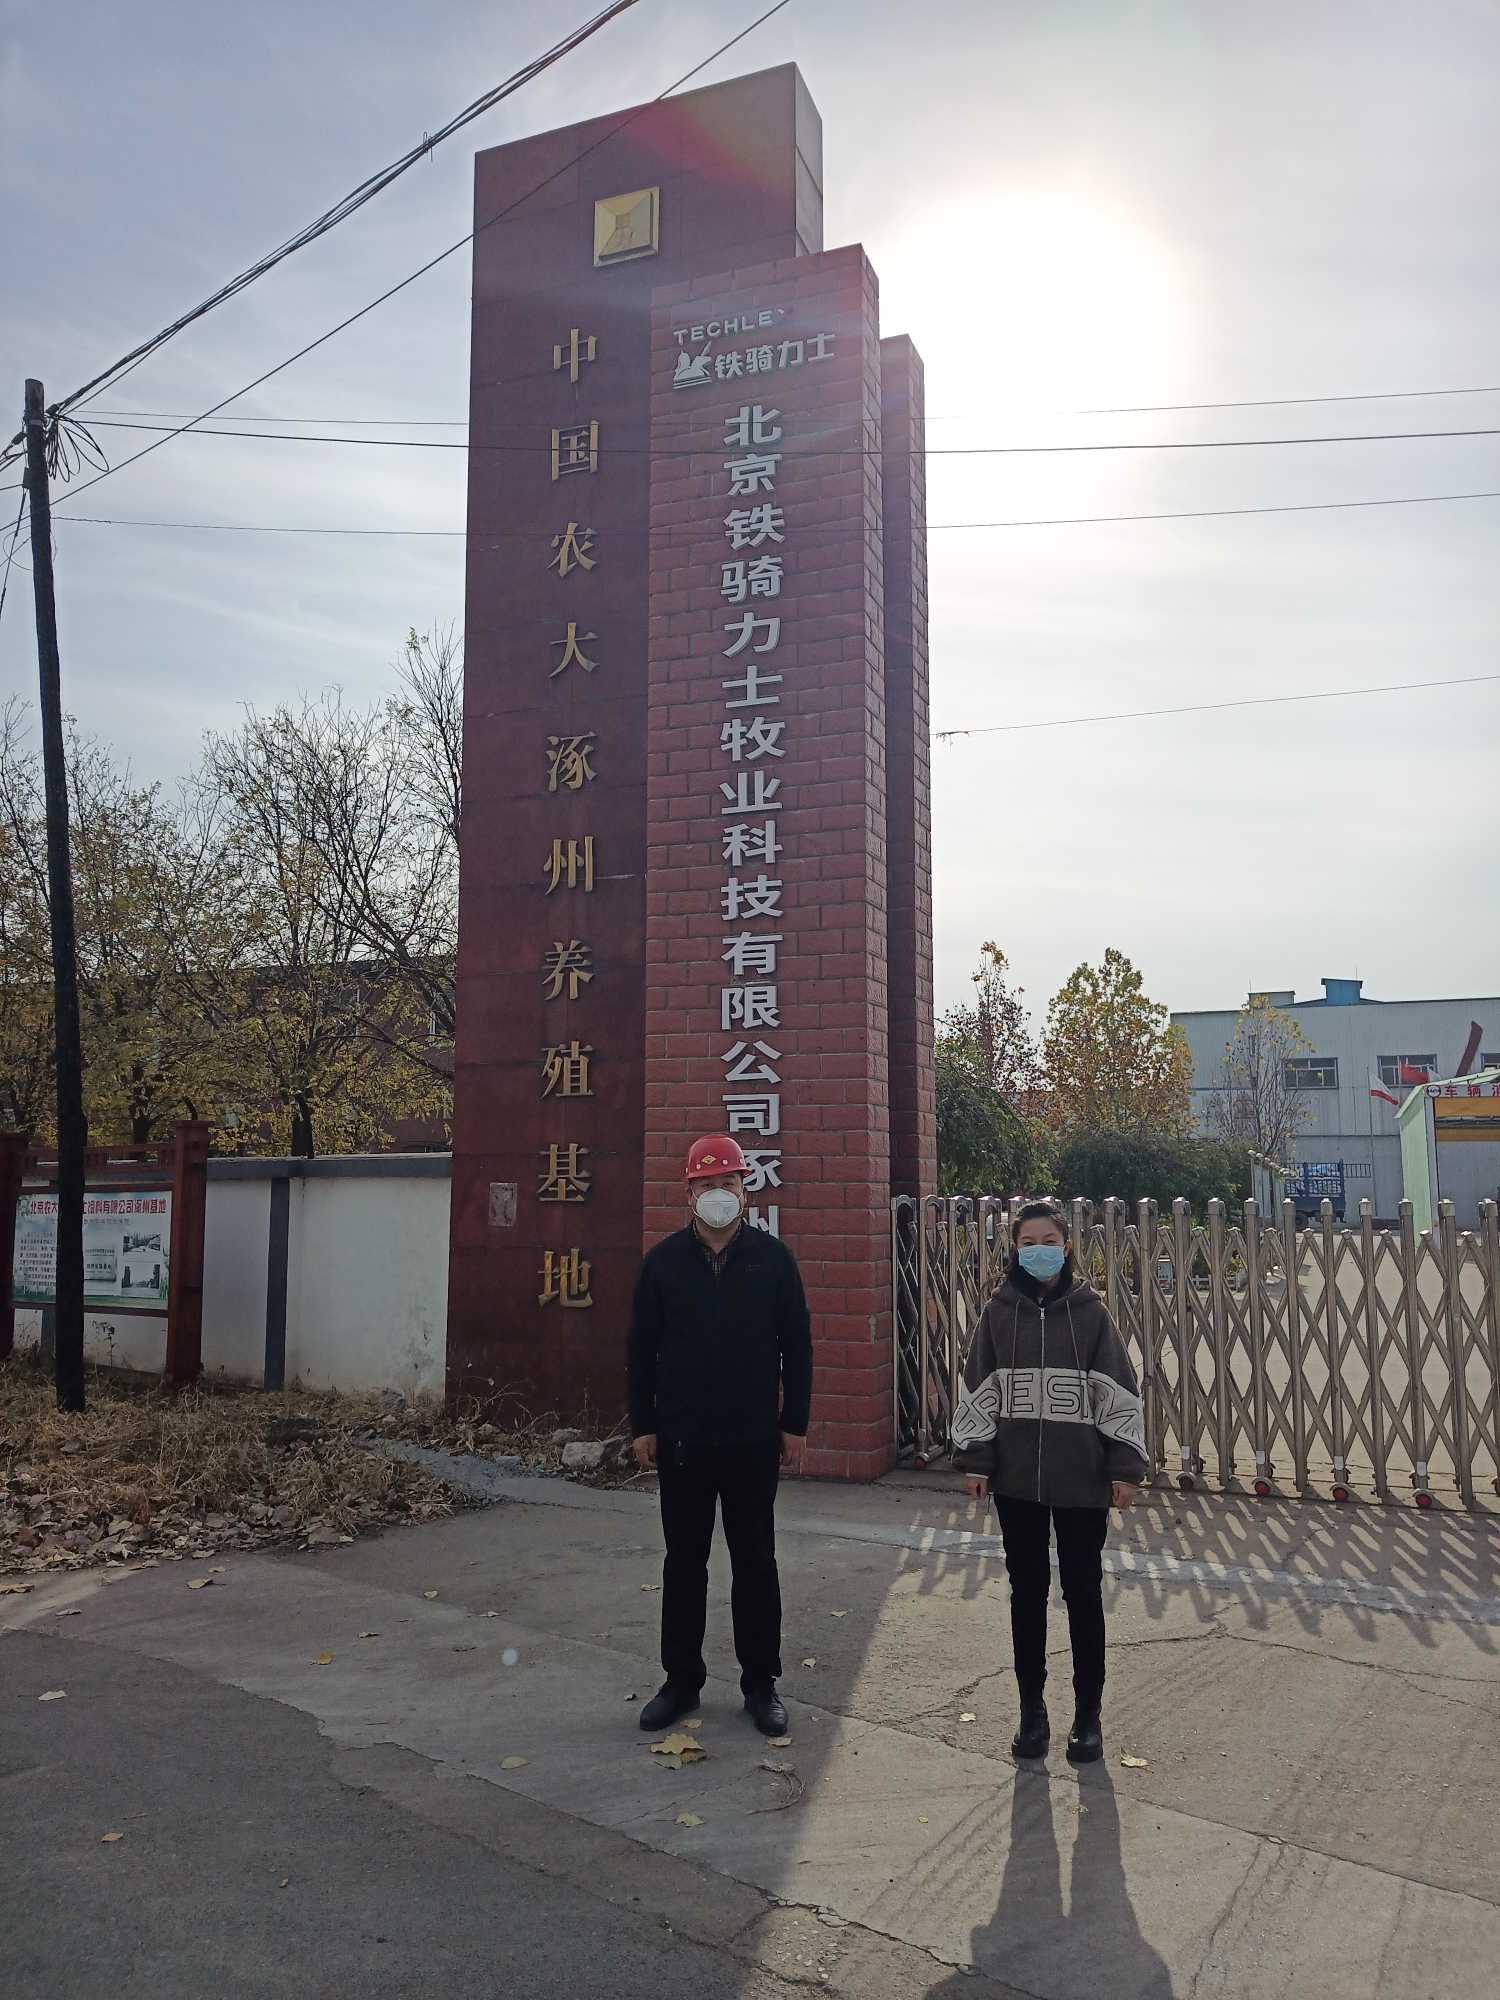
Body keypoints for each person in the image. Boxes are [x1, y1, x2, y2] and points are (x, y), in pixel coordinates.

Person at [628, 1134, 813, 1737]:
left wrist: (794, 1423)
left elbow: (798, 1347)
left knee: (755, 1562)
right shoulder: (662, 1264)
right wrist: (643, 1424)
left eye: (728, 1183)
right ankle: (681, 1682)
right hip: (682, 1439)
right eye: (706, 1185)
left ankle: (761, 1684)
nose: (718, 1194)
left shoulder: (774, 1261)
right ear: (688, 1193)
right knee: (684, 1563)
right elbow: (640, 1350)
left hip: (752, 1438)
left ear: (745, 1191)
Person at [952, 1197, 1148, 1765]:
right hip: (1017, 1484)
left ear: (1067, 1246)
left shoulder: (1092, 1315)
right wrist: (977, 1460)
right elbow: (979, 1388)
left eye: (1049, 1242)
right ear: (1015, 1250)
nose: (1039, 1251)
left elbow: (1118, 1392)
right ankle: (1031, 1711)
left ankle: (1088, 1716)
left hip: (1083, 1482)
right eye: (1028, 1243)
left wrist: (1125, 1468)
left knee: (1083, 1594)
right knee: (1027, 1594)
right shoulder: (997, 1315)